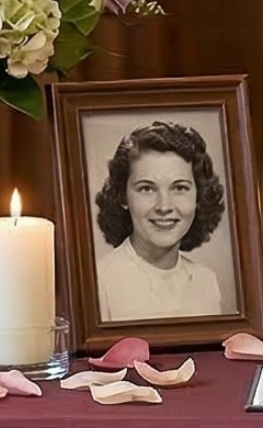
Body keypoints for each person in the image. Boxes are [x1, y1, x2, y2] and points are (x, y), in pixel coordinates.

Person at [95, 121, 229, 321]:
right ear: (122, 196)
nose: (164, 206)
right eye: (147, 188)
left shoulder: (206, 281)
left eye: (180, 188)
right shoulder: (100, 282)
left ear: (199, 195)